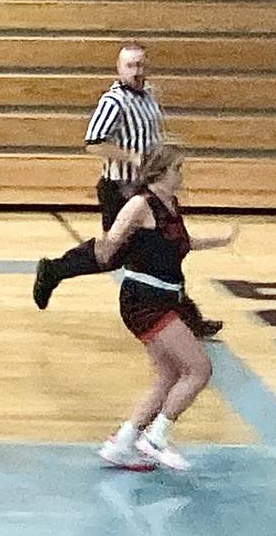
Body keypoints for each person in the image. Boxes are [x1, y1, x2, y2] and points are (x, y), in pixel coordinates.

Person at [32, 42, 222, 339]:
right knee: (115, 253)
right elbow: (93, 143)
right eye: (131, 66)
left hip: (148, 186)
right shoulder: (113, 101)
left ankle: (187, 317)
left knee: (165, 248)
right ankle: (54, 270)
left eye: (141, 64)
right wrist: (132, 156)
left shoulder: (151, 96)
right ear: (119, 69)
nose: (137, 71)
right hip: (120, 187)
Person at [92, 146, 237, 472]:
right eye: (177, 168)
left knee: (169, 375)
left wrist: (220, 241)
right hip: (144, 300)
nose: (182, 174)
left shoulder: (171, 205)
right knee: (199, 370)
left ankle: (123, 444)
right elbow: (111, 241)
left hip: (166, 297)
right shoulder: (140, 205)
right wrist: (111, 246)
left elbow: (181, 243)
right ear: (161, 171)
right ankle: (156, 438)